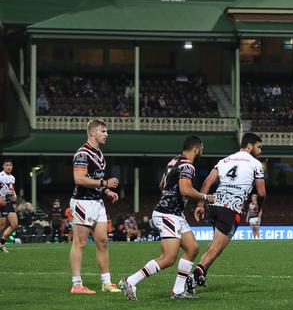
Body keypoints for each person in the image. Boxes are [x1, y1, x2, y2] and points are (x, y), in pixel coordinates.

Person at [119, 135, 215, 300]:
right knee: (169, 258)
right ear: (196, 149)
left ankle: (177, 291)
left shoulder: (174, 161)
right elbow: (185, 190)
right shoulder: (188, 166)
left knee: (192, 248)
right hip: (168, 213)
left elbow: (162, 185)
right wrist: (205, 198)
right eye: (202, 149)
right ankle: (131, 281)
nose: (202, 152)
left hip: (175, 213)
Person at [192, 133, 266, 288]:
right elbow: (261, 193)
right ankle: (195, 275)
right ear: (249, 146)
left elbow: (207, 182)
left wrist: (200, 205)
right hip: (231, 209)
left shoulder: (225, 160)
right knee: (217, 249)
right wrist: (259, 206)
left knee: (214, 245)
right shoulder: (256, 164)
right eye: (259, 146)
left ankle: (201, 275)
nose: (261, 150)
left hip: (215, 205)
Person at [69, 119, 121, 294]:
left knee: (102, 241)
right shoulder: (82, 154)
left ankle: (106, 282)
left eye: (106, 131)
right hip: (83, 202)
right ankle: (77, 285)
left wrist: (106, 191)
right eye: (103, 131)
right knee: (80, 242)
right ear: (92, 132)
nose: (107, 134)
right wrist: (105, 182)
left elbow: (93, 179)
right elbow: (80, 179)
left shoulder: (99, 154)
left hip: (97, 202)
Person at [0, 159, 18, 253]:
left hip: (9, 202)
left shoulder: (12, 178)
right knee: (2, 226)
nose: (9, 167)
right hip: (1, 203)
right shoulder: (0, 176)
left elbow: (11, 188)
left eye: (10, 165)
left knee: (14, 225)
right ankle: (2, 246)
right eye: (7, 165)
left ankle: (1, 242)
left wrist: (14, 194)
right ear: (3, 166)